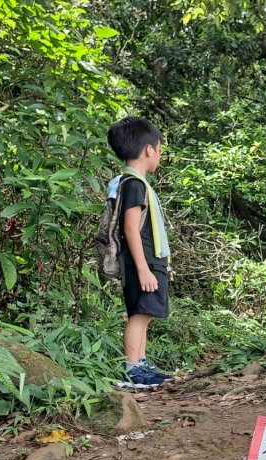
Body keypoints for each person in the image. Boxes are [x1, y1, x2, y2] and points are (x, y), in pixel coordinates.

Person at [106, 116, 173, 389]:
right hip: (141, 261)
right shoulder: (133, 184)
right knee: (139, 315)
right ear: (149, 150)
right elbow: (131, 230)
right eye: (159, 150)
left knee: (144, 313)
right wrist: (144, 268)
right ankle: (132, 370)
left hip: (148, 260)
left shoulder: (133, 183)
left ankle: (141, 365)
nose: (159, 155)